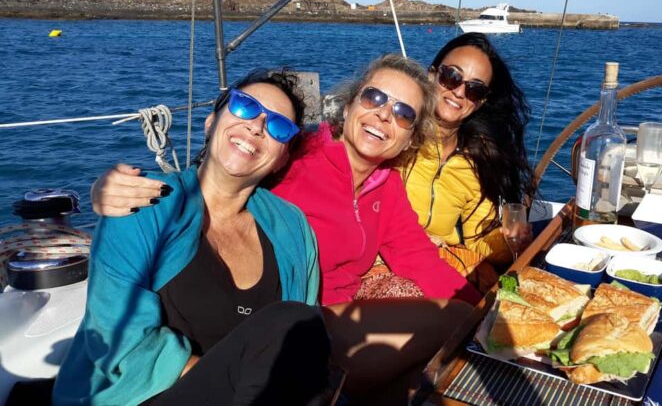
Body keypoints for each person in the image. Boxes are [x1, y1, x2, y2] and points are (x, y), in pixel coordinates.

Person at [89, 55, 480, 400]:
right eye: (375, 98)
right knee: (452, 322)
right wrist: (107, 189)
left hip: (329, 319)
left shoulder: (386, 184)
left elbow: (417, 257)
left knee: (432, 363)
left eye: (403, 113)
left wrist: (488, 309)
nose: (383, 115)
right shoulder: (298, 156)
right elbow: (227, 173)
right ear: (348, 106)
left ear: (410, 139)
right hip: (298, 327)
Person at [53, 70, 329, 405]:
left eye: (279, 126)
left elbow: (299, 341)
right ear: (211, 122)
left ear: (282, 158)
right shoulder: (143, 203)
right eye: (244, 106)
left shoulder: (292, 228)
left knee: (300, 325)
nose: (256, 126)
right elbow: (120, 340)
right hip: (144, 396)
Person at [401, 32, 535, 287]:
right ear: (431, 75)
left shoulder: (477, 160)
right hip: (386, 258)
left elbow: (478, 241)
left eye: (474, 89)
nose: (460, 92)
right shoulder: (399, 134)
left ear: (481, 102)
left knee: (504, 294)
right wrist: (415, 237)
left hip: (438, 262)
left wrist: (509, 240)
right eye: (451, 76)